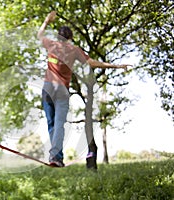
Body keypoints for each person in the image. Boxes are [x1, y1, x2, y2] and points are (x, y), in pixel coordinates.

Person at [37, 11, 130, 167]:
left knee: (52, 123)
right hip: (61, 91)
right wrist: (116, 66)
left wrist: (47, 21)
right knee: (59, 124)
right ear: (71, 38)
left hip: (47, 88)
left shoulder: (51, 44)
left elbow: (39, 35)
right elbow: (92, 62)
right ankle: (56, 157)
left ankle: (55, 155)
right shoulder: (74, 50)